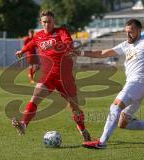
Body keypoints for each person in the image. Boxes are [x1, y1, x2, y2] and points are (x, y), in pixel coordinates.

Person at [73, 19, 144, 149]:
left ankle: (101, 142)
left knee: (115, 106)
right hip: (137, 85)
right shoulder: (125, 45)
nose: (128, 34)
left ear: (139, 31)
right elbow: (102, 53)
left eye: (131, 32)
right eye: (126, 32)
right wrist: (80, 53)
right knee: (123, 122)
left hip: (138, 81)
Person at [12, 10, 91, 142]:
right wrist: (22, 51)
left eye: (49, 21)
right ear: (40, 22)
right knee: (36, 96)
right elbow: (31, 44)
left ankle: (83, 130)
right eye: (44, 22)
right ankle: (24, 124)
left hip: (65, 77)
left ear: (54, 22)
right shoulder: (38, 36)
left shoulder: (61, 32)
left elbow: (68, 42)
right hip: (48, 75)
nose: (47, 24)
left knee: (74, 107)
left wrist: (67, 48)